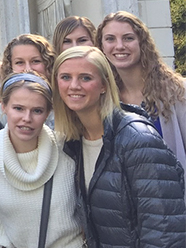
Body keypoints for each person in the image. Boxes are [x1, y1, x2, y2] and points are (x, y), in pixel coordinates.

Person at [53, 46, 185, 247]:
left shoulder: (137, 139)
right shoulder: (71, 143)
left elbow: (164, 229)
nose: (74, 86)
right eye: (65, 77)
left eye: (85, 78)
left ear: (104, 85)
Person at [0, 73, 84, 248]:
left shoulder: (66, 148)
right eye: (18, 108)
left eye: (37, 110)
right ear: (3, 106)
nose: (27, 118)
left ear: (47, 113)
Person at [96, 11, 186, 186]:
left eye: (128, 38)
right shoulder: (103, 98)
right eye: (110, 39)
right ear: (101, 46)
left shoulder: (178, 92)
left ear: (142, 43)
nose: (119, 46)